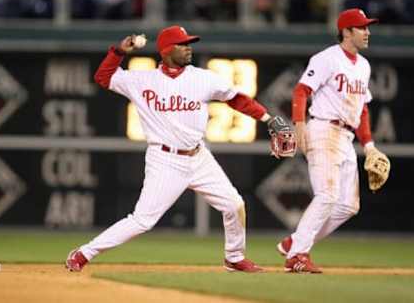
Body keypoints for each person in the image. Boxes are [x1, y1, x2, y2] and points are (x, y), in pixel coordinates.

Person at [65, 25, 294, 273]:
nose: (188, 49)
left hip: (199, 156)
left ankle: (234, 257)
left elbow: (237, 99)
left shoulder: (203, 77)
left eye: (189, 44)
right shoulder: (141, 80)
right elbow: (103, 76)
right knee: (142, 221)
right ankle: (83, 253)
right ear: (166, 50)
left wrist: (268, 118)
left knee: (233, 204)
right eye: (182, 44)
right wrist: (118, 51)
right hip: (165, 160)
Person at [276, 8, 390, 273]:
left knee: (348, 206)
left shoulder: (363, 65)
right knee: (327, 195)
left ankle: (296, 241)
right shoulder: (326, 58)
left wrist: (370, 145)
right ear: (347, 32)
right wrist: (299, 125)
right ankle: (297, 256)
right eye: (362, 28)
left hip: (347, 136)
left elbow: (361, 109)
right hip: (323, 129)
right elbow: (301, 90)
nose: (367, 32)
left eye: (367, 27)